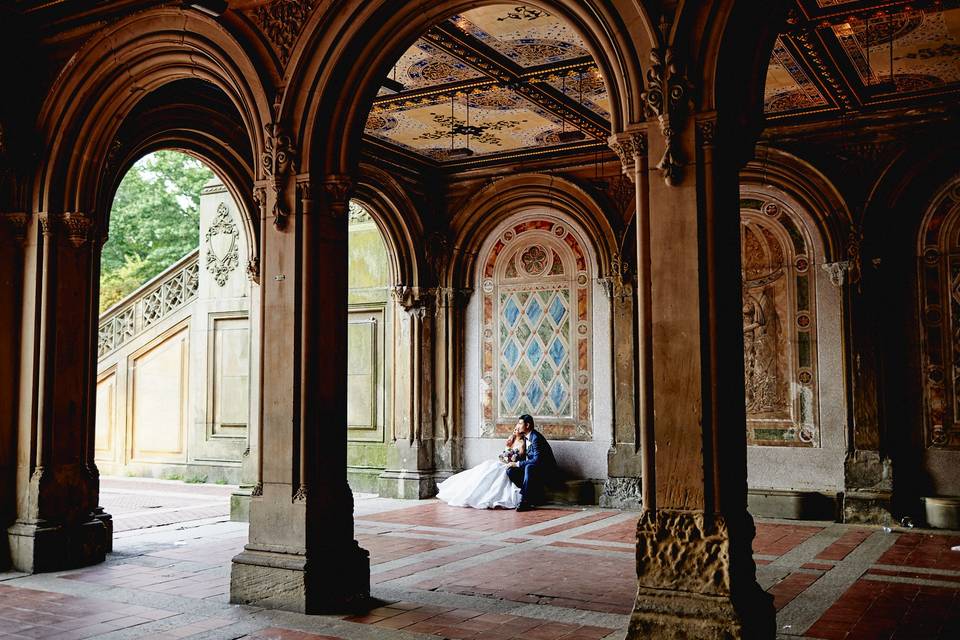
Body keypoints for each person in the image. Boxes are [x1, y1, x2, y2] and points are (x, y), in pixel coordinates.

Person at [435, 423, 527, 509]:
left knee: (494, 471)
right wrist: (506, 453)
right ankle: (464, 490)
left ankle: (481, 496)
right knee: (486, 466)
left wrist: (512, 459)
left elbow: (520, 457)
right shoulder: (511, 439)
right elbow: (504, 454)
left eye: (517, 429)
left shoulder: (522, 443)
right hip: (504, 462)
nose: (515, 430)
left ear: (522, 432)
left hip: (512, 465)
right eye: (514, 429)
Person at [505, 414, 556, 512]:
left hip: (545, 470)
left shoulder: (536, 438)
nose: (518, 426)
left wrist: (518, 464)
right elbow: (523, 455)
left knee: (529, 467)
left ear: (527, 425)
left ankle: (525, 501)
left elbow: (537, 460)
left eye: (520, 423)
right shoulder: (525, 437)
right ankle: (533, 495)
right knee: (511, 471)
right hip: (533, 469)